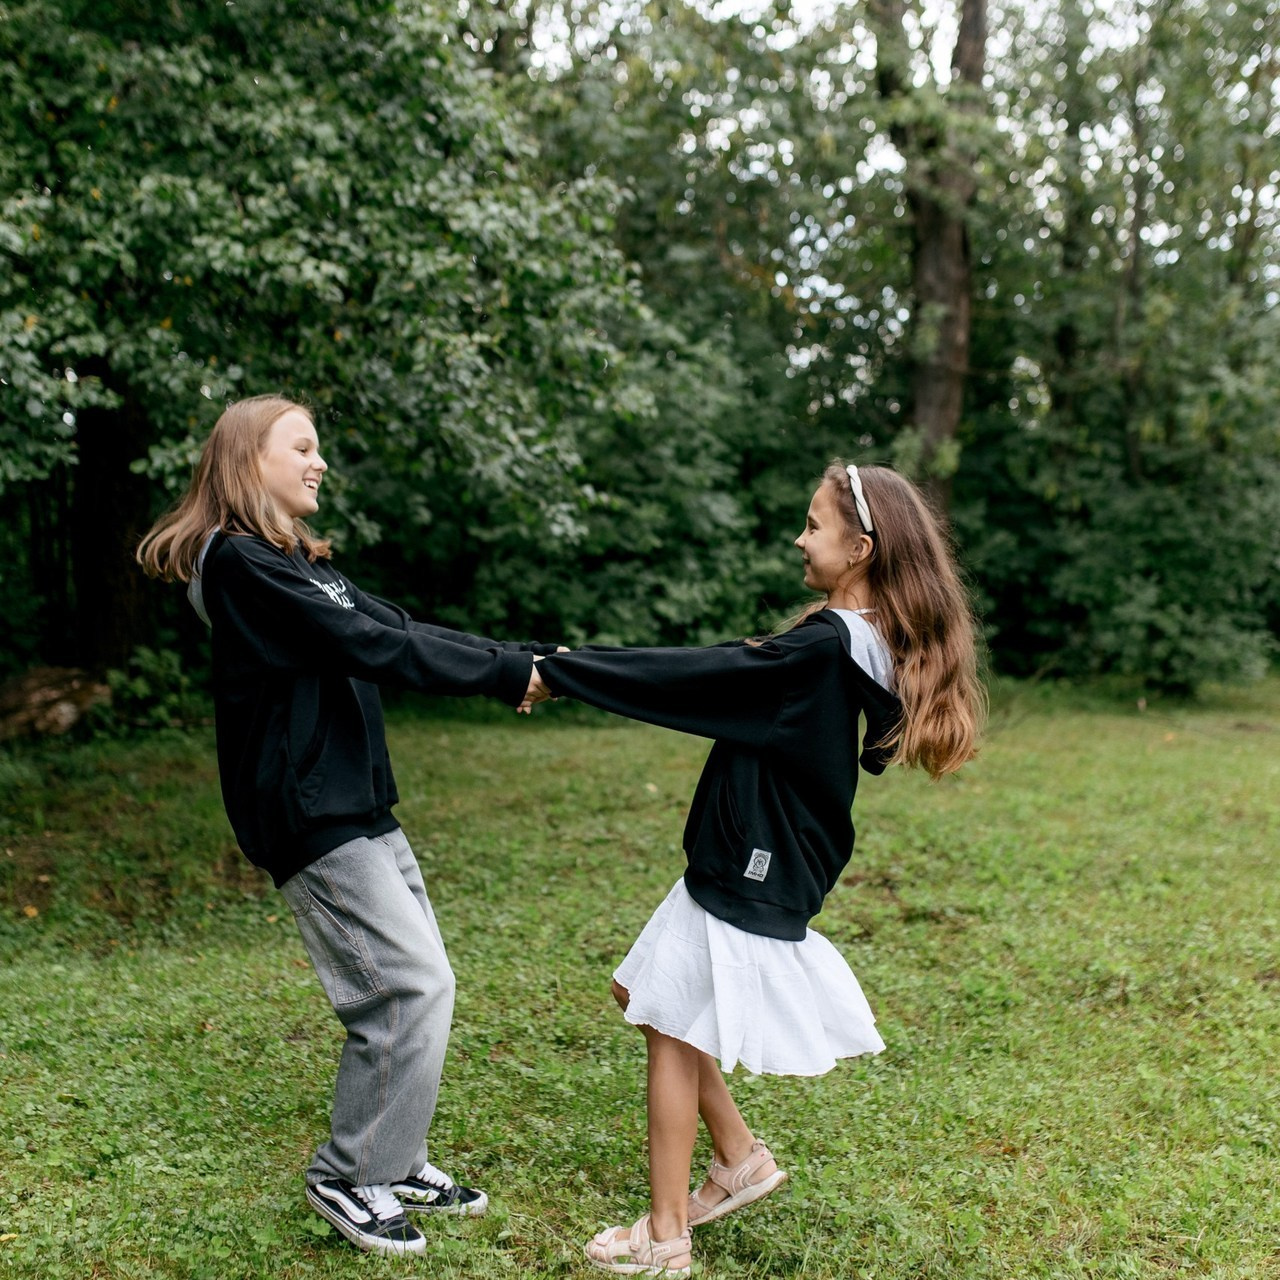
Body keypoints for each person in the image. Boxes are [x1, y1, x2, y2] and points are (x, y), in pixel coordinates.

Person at [523, 462, 984, 1277]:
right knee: (642, 993)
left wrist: (562, 672)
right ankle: (737, 1159)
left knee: (666, 1021)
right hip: (757, 852)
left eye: (814, 526)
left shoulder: (820, 652)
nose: (800, 539)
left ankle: (665, 1235)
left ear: (861, 548)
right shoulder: (849, 642)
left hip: (755, 861)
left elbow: (695, 678)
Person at [137, 394, 553, 1257]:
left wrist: (517, 660)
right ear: (251, 460)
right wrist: (502, 673)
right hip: (310, 813)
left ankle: (394, 1161)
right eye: (303, 447)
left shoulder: (301, 562)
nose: (319, 462)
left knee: (425, 984)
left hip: (360, 802)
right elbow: (373, 649)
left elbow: (398, 627)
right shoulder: (241, 564)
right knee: (407, 988)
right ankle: (347, 1174)